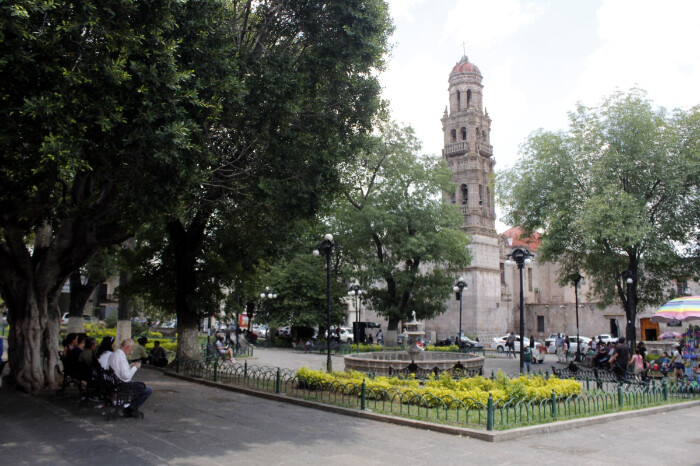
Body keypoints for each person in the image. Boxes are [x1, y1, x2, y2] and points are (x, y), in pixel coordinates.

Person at [109, 339, 152, 416]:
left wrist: (129, 366)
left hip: (116, 382)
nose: (131, 352)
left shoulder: (114, 354)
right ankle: (130, 409)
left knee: (140, 386)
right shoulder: (121, 358)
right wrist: (135, 368)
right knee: (147, 389)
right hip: (123, 385)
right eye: (131, 349)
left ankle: (130, 408)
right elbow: (126, 376)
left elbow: (119, 370)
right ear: (127, 347)